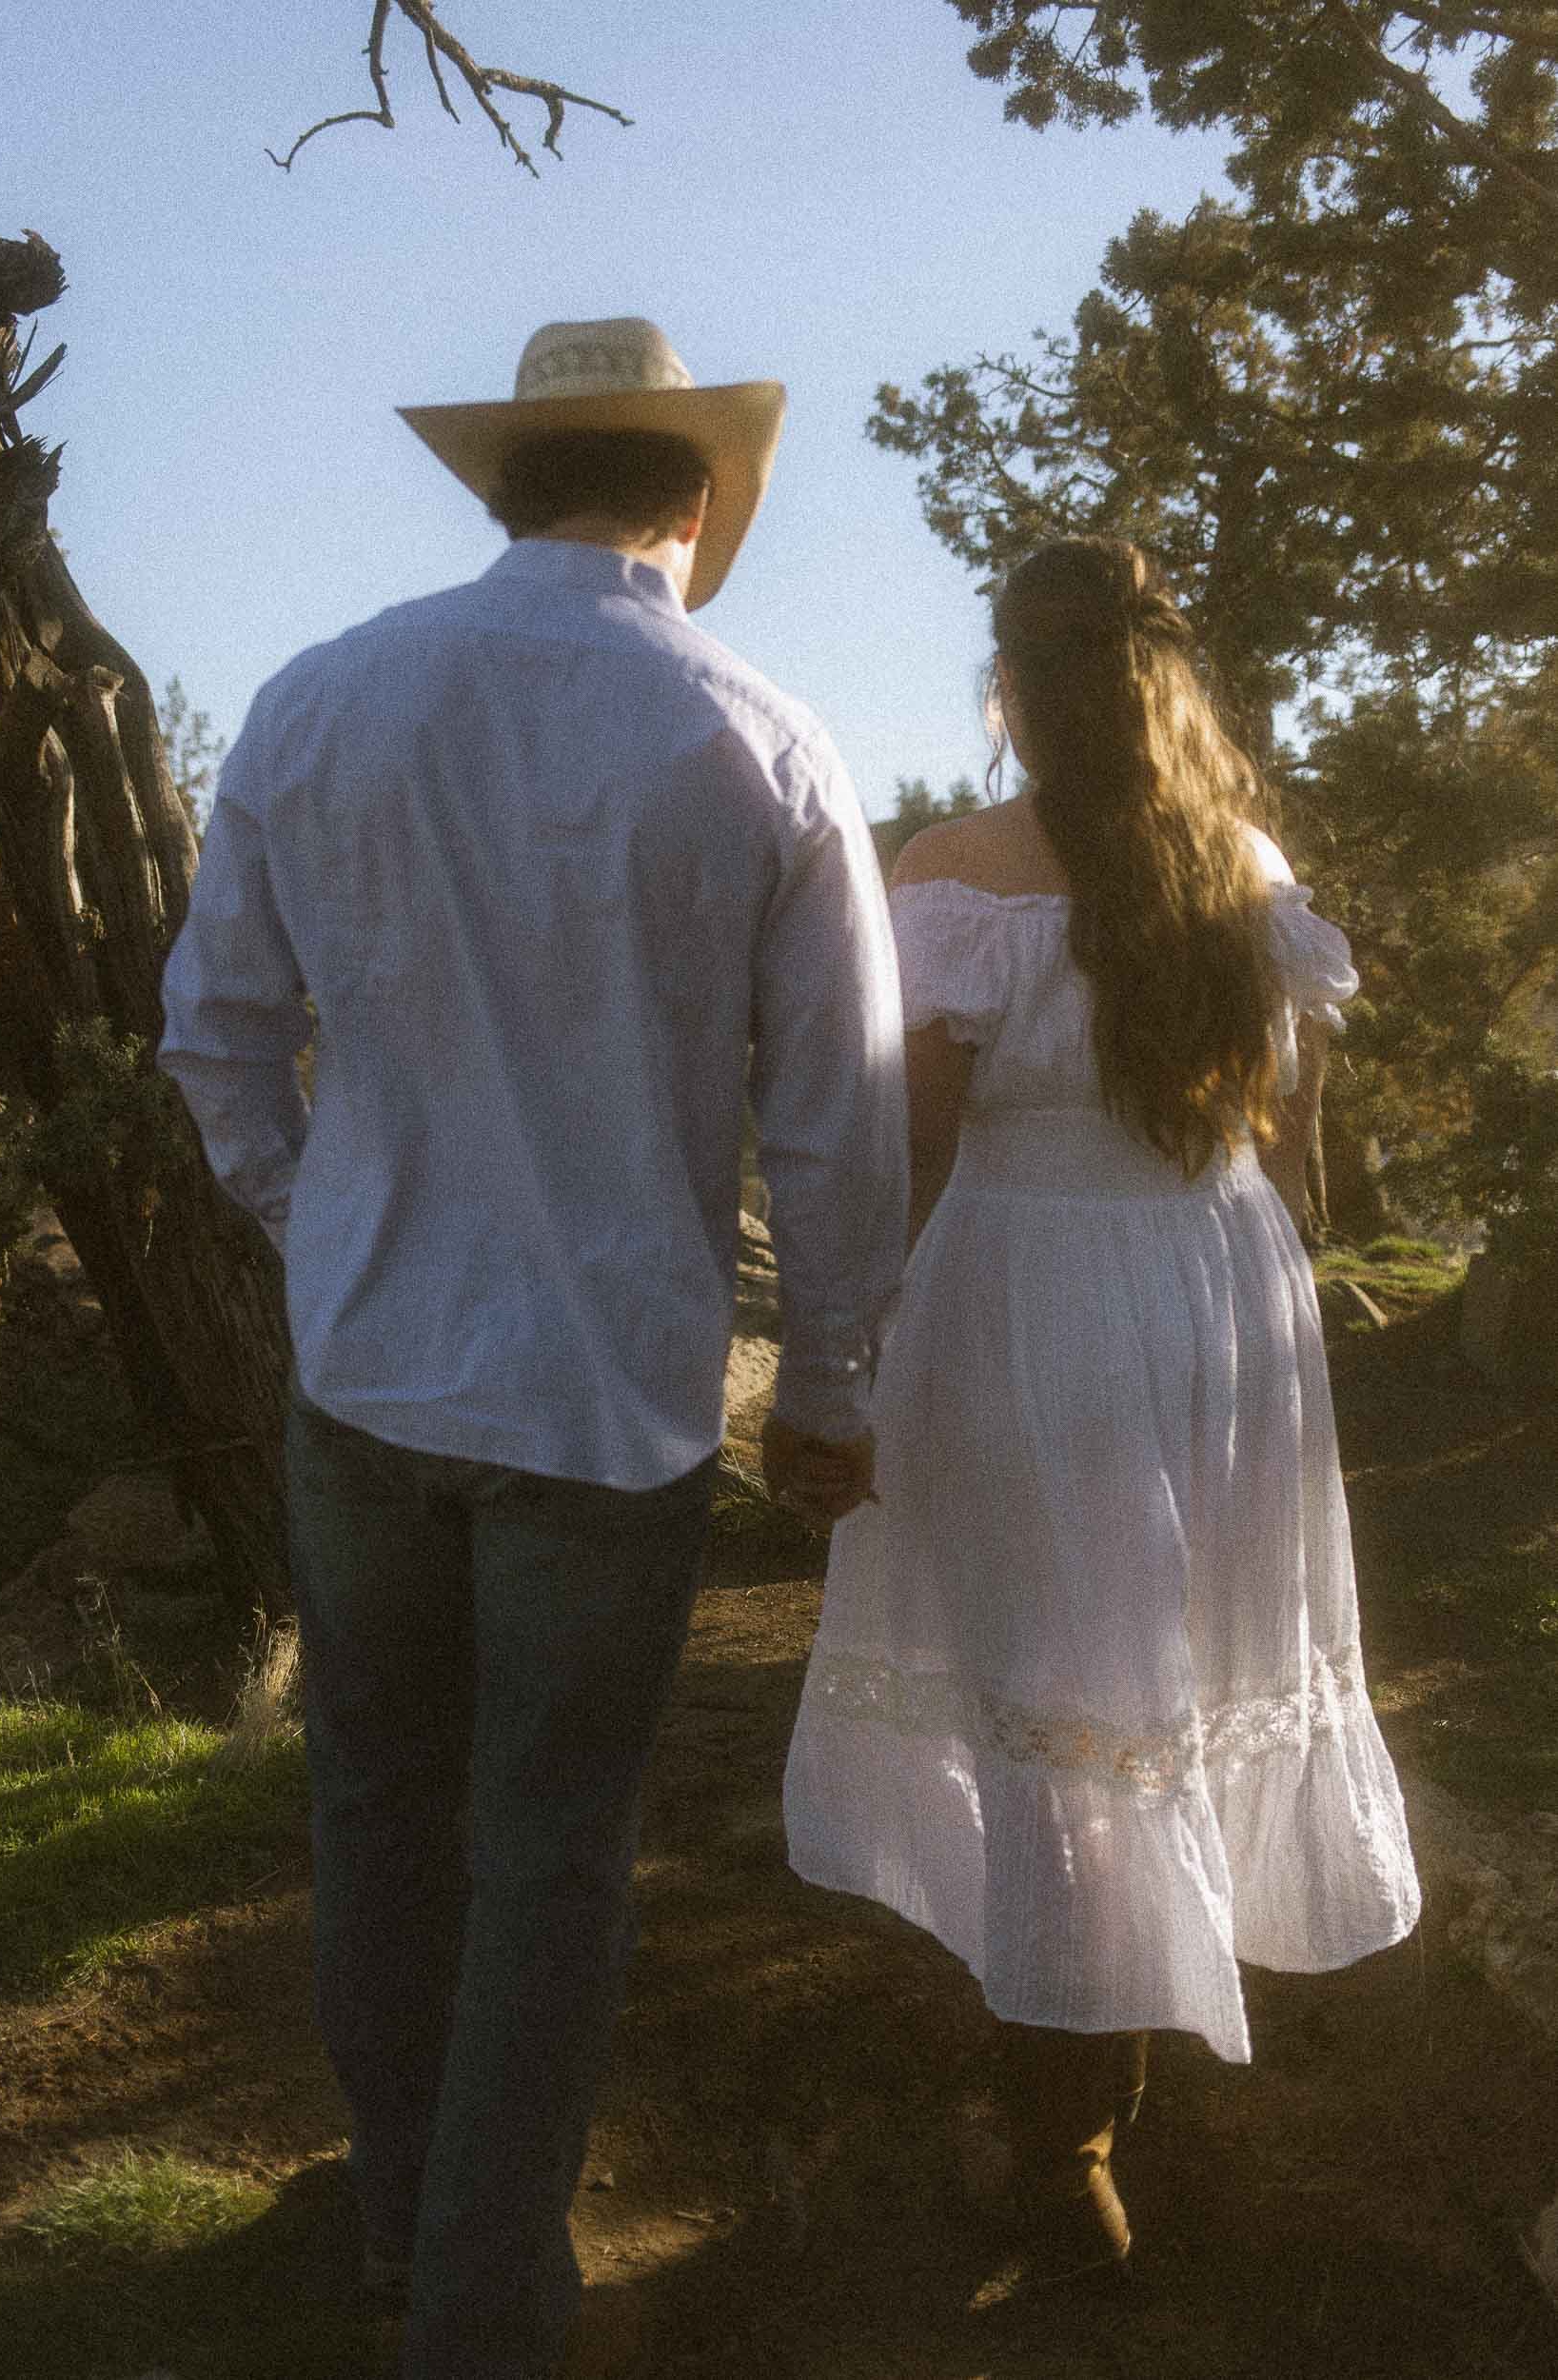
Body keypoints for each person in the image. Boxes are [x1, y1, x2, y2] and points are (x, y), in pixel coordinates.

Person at [158, 316, 906, 2379]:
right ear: (688, 503)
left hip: (368, 1375)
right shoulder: (760, 736)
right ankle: (484, 2302)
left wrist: (324, 1231)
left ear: (509, 485)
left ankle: (411, 2222)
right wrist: (828, 1393)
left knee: (377, 1809)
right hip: (610, 1390)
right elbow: (839, 1113)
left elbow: (213, 1031)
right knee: (550, 1847)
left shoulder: (319, 698)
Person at [783, 534, 1420, 2280]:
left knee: (1066, 1684)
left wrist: (843, 1355)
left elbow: (910, 1144)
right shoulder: (1246, 867)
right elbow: (1292, 1138)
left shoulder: (958, 873)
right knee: (1172, 1666)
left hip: (1027, 1292)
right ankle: (1114, 2060)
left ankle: (1070, 2130)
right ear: (1167, 676)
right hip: (1217, 1281)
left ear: (1012, 685)